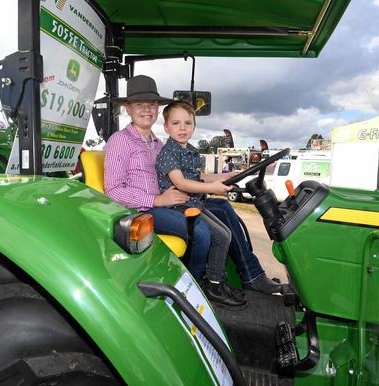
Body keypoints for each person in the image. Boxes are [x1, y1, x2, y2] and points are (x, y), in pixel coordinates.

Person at [104, 75, 281, 295]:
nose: (147, 109)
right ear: (128, 108)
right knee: (202, 232)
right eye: (139, 104)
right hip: (142, 212)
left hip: (170, 202)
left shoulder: (158, 144)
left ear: (158, 109)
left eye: (152, 104)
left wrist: (220, 178)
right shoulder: (119, 142)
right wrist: (157, 200)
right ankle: (196, 288)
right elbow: (112, 191)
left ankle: (251, 275)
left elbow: (187, 176)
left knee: (224, 209)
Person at [156, 101, 244, 305]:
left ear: (194, 127)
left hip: (194, 204)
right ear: (166, 127)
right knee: (220, 235)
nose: (182, 128)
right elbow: (181, 182)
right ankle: (210, 284)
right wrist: (212, 189)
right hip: (179, 205)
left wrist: (228, 175)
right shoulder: (168, 153)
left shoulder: (191, 151)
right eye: (176, 123)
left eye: (188, 123)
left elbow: (199, 177)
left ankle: (218, 281)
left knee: (226, 233)